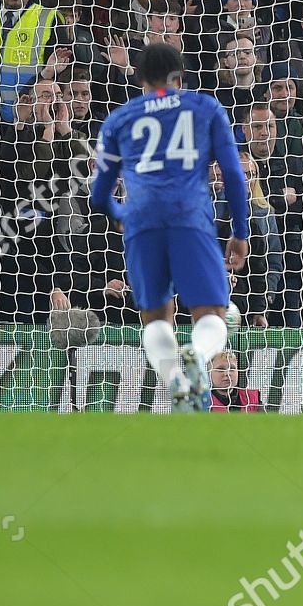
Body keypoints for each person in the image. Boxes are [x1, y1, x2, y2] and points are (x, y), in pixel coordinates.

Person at [88, 43, 250, 412]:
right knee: (212, 316)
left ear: (140, 78)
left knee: (156, 319)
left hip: (142, 224)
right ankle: (197, 353)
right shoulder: (205, 108)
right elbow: (234, 176)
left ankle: (176, 383)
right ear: (180, 76)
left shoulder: (119, 119)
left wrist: (121, 214)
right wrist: (239, 233)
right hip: (190, 220)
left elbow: (99, 194)